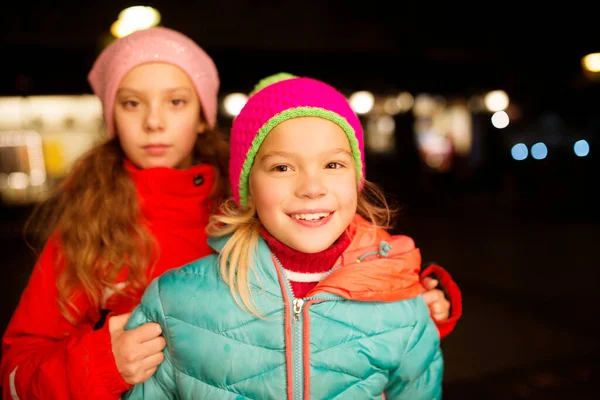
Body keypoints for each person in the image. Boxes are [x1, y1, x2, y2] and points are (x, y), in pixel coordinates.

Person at [122, 73, 445, 399]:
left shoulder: (403, 303)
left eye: (333, 165)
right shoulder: (173, 302)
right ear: (248, 185)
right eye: (282, 168)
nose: (312, 188)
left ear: (356, 177)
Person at [0, 27, 227, 399]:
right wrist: (103, 363)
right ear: (112, 116)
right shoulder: (86, 226)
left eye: (176, 102)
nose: (154, 121)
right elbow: (15, 377)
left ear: (203, 116)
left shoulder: (247, 213)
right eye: (132, 103)